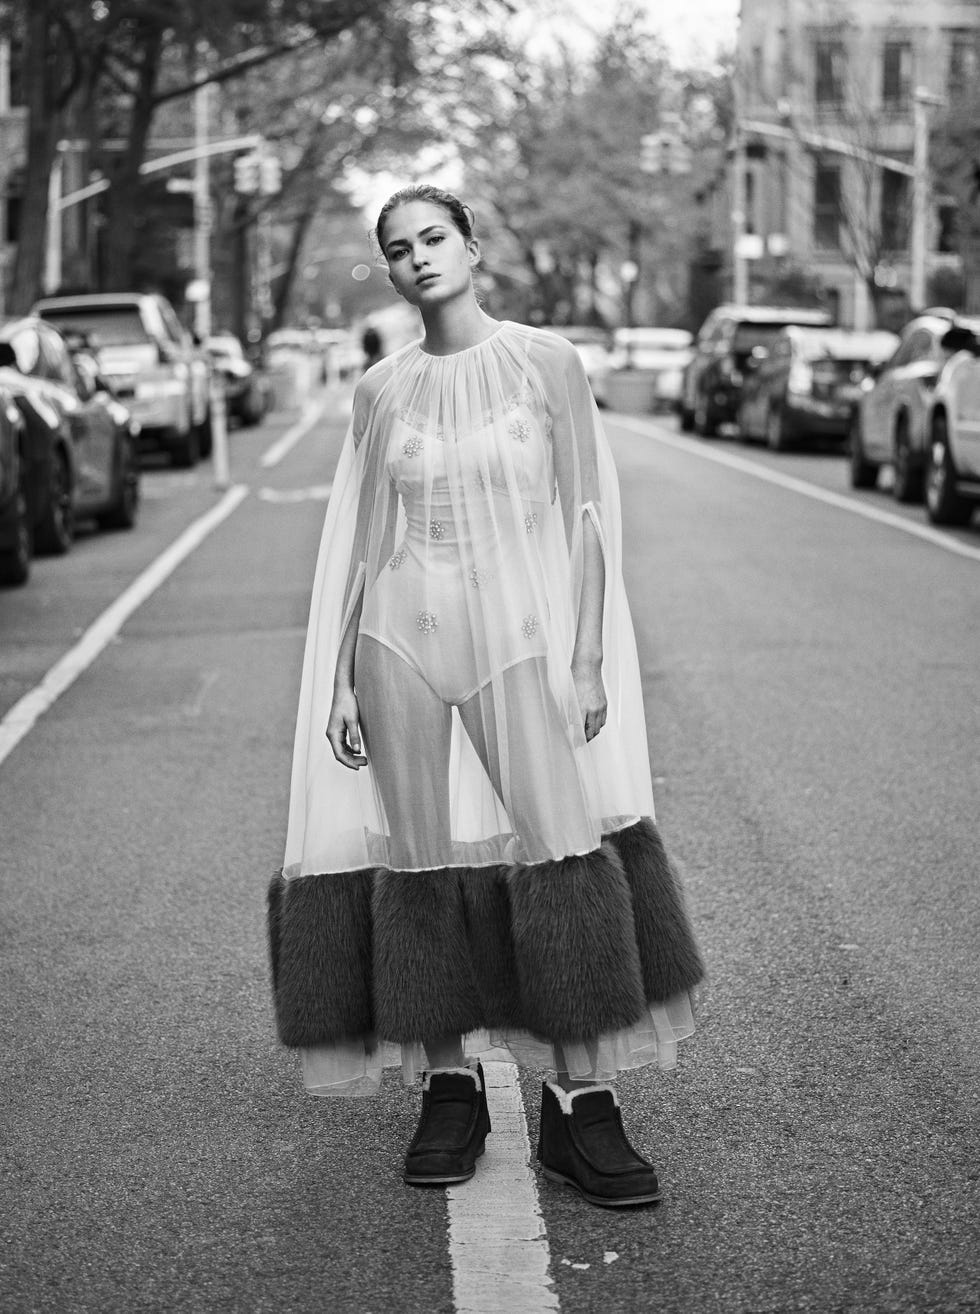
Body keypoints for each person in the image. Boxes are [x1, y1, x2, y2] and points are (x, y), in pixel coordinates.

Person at [268, 184, 703, 1208]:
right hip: (397, 641)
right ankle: (447, 1084)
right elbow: (368, 544)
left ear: (470, 246)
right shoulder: (379, 389)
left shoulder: (546, 363)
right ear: (388, 270)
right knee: (416, 870)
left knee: (561, 857)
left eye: (432, 238)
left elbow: (587, 516)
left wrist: (586, 655)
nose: (417, 257)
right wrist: (339, 678)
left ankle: (580, 1106)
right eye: (398, 248)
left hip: (517, 642)